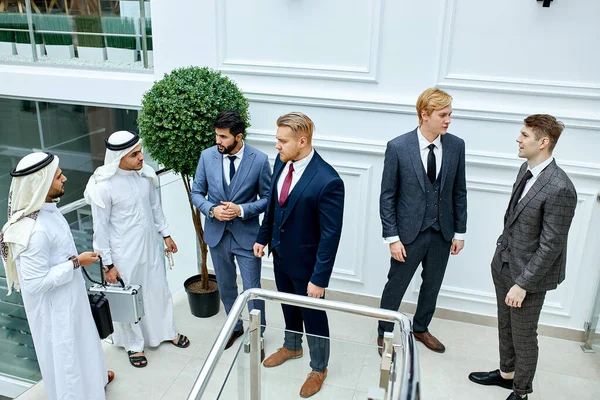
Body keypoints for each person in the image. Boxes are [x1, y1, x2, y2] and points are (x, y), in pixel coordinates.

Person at [469, 115, 577, 400]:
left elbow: (552, 245)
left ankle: (522, 390)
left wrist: (523, 284)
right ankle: (507, 375)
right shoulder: (525, 170)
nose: (518, 139)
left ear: (543, 142)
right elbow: (513, 218)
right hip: (504, 264)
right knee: (505, 325)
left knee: (524, 335)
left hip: (528, 277)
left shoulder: (560, 187)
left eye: (524, 135)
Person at [0, 152, 114, 400]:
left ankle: (94, 380)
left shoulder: (47, 211)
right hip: (55, 311)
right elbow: (34, 283)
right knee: (67, 361)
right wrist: (77, 262)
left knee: (83, 345)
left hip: (70, 298)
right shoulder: (34, 231)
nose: (64, 177)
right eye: (57, 175)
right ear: (40, 182)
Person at [254, 112, 345, 398]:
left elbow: (331, 236)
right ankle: (292, 346)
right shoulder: (282, 164)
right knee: (288, 306)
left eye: (282, 141)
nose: (277, 146)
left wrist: (319, 279)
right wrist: (263, 238)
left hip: (308, 266)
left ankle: (319, 367)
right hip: (280, 256)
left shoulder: (329, 181)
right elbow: (273, 205)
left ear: (302, 141)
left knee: (314, 317)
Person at [84, 130, 189, 368]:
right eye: (134, 155)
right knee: (129, 300)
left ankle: (166, 331)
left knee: (157, 288)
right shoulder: (103, 187)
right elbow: (99, 230)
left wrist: (166, 234)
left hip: (150, 246)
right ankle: (134, 345)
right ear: (119, 157)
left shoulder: (144, 175)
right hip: (122, 254)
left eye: (140, 151)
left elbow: (155, 207)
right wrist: (108, 265)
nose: (141, 158)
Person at [378, 87, 467, 354]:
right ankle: (384, 332)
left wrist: (459, 232)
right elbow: (387, 196)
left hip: (442, 232)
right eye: (443, 115)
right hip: (407, 234)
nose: (448, 120)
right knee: (396, 285)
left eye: (450, 114)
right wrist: (392, 238)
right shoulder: (398, 147)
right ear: (424, 115)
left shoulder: (456, 145)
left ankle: (421, 328)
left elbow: (459, 191)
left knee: (432, 285)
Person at [190, 110, 271, 351]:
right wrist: (211, 210)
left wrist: (242, 210)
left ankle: (258, 335)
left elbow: (268, 198)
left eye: (224, 137)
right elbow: (197, 193)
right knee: (226, 286)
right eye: (216, 135)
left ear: (239, 136)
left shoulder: (259, 160)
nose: (218, 141)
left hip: (246, 237)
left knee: (252, 290)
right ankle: (234, 327)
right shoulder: (207, 157)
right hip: (216, 235)